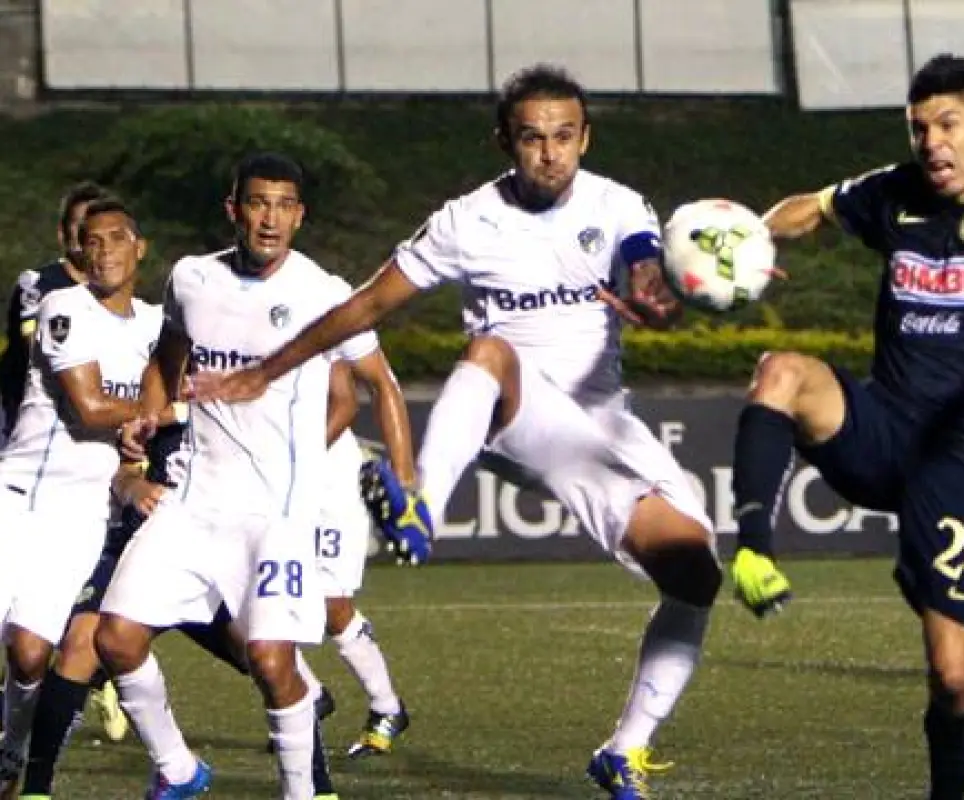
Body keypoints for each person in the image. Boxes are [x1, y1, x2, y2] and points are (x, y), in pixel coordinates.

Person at [191, 64, 722, 800]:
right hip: (505, 413)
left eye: (564, 137)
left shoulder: (618, 204)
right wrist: (266, 369)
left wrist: (658, 300)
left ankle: (623, 750)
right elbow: (366, 306)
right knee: (491, 349)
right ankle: (420, 506)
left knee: (696, 574)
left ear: (585, 138)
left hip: (596, 429)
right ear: (505, 140)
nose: (549, 153)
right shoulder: (466, 220)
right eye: (532, 138)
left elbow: (643, 269)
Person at [726, 54, 964, 799]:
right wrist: (750, 241)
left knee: (955, 679)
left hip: (962, 460)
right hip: (884, 426)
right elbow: (811, 207)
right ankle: (752, 550)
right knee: (782, 372)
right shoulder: (894, 192)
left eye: (947, 124)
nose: (931, 140)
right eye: (919, 126)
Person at [93, 152, 424, 799]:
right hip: (192, 504)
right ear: (233, 210)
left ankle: (303, 791)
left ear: (299, 216)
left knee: (273, 665)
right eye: (257, 203)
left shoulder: (324, 293)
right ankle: (180, 770)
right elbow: (167, 358)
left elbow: (379, 383)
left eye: (283, 205)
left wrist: (408, 486)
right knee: (116, 638)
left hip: (275, 517)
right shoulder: (192, 278)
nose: (269, 218)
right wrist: (145, 421)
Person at [0, 198, 173, 796]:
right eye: (92, 242)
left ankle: (11, 751)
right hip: (17, 495)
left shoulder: (155, 326)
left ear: (139, 247)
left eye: (116, 239)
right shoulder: (62, 308)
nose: (103, 252)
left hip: (81, 513)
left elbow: (183, 389)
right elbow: (91, 407)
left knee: (29, 654)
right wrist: (151, 412)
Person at [317, 361, 410, 759]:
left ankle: (387, 707)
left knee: (330, 606)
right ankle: (308, 700)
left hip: (327, 485)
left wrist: (294, 459)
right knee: (244, 602)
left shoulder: (311, 311)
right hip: (268, 483)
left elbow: (344, 403)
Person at [0, 182, 112, 441]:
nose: (88, 235)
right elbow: (37, 352)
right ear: (62, 234)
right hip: (18, 417)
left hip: (79, 424)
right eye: (79, 225)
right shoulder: (37, 285)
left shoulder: (116, 295)